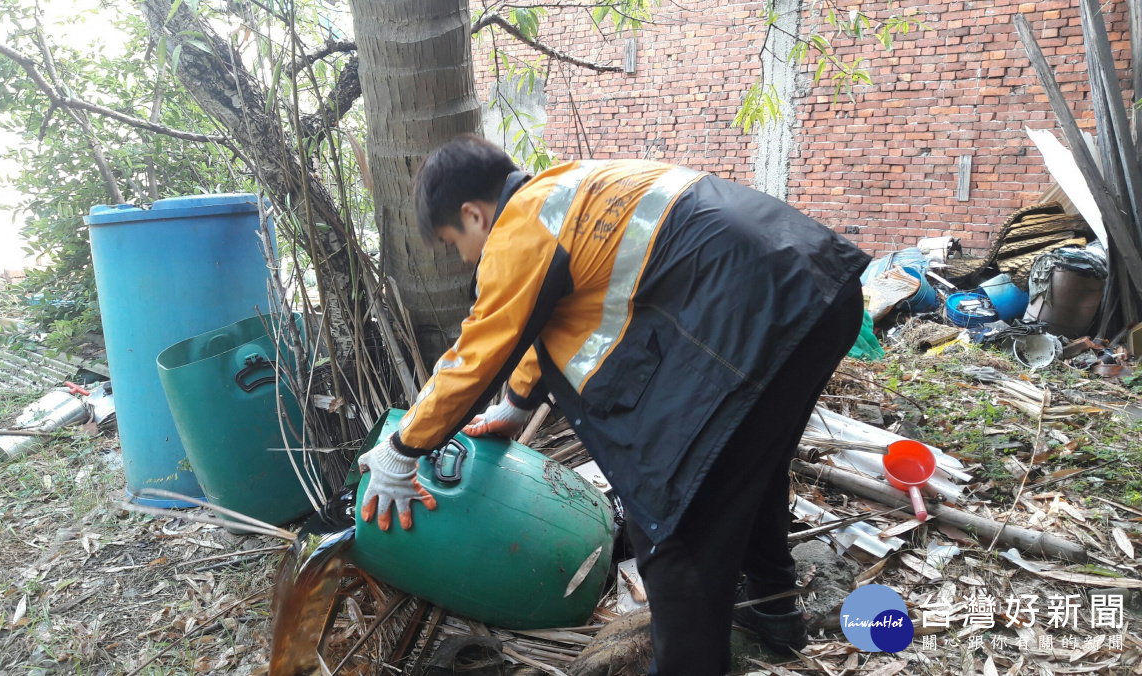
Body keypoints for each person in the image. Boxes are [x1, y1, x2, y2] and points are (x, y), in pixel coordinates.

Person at [356, 134, 869, 674]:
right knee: (747, 469)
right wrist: (517, 403)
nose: (464, 258)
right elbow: (545, 319)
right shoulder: (568, 189)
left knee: (677, 525)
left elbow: (478, 352)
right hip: (816, 290)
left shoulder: (521, 225)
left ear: (473, 215)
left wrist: (402, 447)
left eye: (453, 242)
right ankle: (774, 612)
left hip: (758, 319)